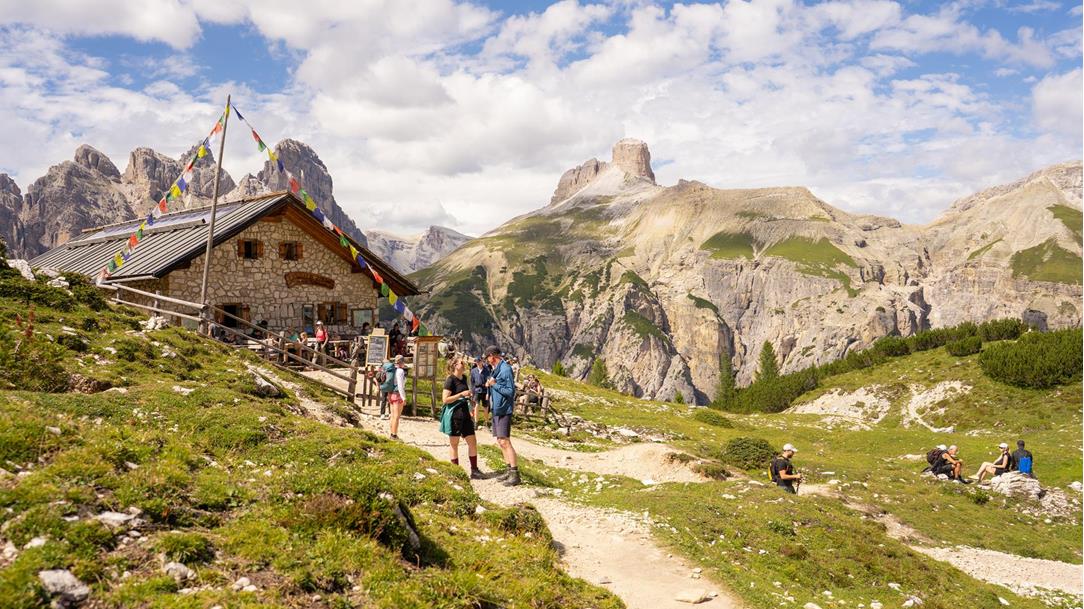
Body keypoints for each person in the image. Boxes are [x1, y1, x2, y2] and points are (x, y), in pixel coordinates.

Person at [441, 357, 485, 479]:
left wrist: (469, 399)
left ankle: (474, 470)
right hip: (455, 415)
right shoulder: (450, 380)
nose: (464, 364)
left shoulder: (464, 378)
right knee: (454, 444)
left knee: (472, 442)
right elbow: (445, 400)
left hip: (465, 414)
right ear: (455, 365)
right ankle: (456, 472)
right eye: (461, 362)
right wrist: (461, 394)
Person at [485, 345, 520, 486]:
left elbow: (510, 391)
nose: (486, 360)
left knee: (505, 441)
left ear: (492, 356)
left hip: (504, 409)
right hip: (497, 409)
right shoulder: (496, 369)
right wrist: (490, 384)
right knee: (500, 441)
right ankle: (508, 470)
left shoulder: (505, 369)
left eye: (487, 357)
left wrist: (494, 385)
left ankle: (515, 474)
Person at [388, 355, 407, 440]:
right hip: (398, 395)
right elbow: (400, 385)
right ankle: (394, 435)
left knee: (392, 416)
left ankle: (392, 433)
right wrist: (403, 397)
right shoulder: (400, 371)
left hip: (391, 394)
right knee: (396, 416)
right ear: (402, 362)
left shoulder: (392, 370)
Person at [470, 357, 491, 430]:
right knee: (476, 406)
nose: (478, 363)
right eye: (476, 361)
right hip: (476, 390)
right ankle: (476, 423)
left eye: (479, 361)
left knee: (486, 407)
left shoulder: (486, 370)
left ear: (482, 361)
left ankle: (487, 422)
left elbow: (489, 380)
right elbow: (472, 382)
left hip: (485, 390)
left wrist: (488, 391)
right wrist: (472, 392)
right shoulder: (473, 371)